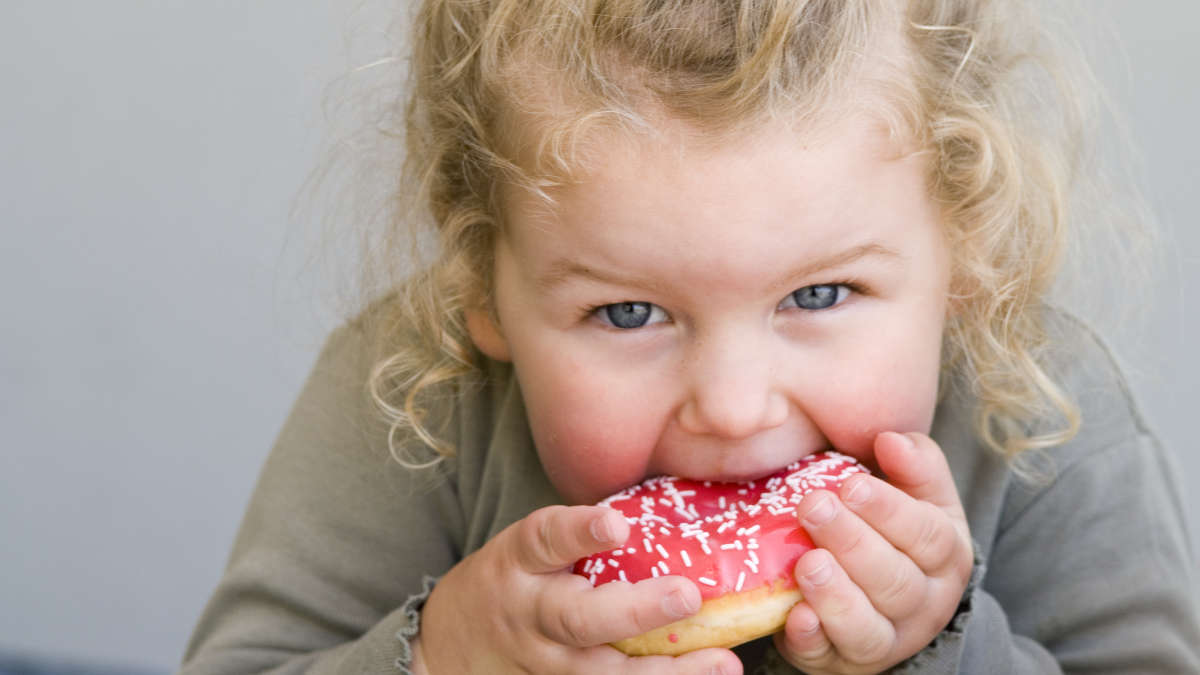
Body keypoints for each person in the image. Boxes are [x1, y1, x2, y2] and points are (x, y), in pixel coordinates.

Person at [179, 0, 1200, 673]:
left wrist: (943, 647)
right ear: (482, 282)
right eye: (629, 314)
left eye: (821, 295)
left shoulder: (1040, 409)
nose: (732, 404)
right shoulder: (416, 390)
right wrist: (440, 655)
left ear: (965, 250)